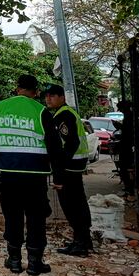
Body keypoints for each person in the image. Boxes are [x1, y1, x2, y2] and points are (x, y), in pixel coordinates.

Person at [0, 74, 64, 276]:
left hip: (9, 174)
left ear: (17, 88)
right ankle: (35, 263)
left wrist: (0, 165)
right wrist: (59, 176)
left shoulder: (1, 107)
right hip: (35, 176)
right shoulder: (41, 111)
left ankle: (14, 261)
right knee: (36, 217)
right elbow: (55, 147)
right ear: (35, 91)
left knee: (12, 215)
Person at [43, 84, 92, 256]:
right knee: (77, 203)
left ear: (62, 97)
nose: (48, 99)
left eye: (53, 96)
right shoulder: (64, 114)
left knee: (72, 205)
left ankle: (81, 242)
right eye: (47, 96)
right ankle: (83, 239)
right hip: (74, 165)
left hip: (69, 167)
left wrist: (59, 172)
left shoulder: (64, 115)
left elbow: (70, 144)